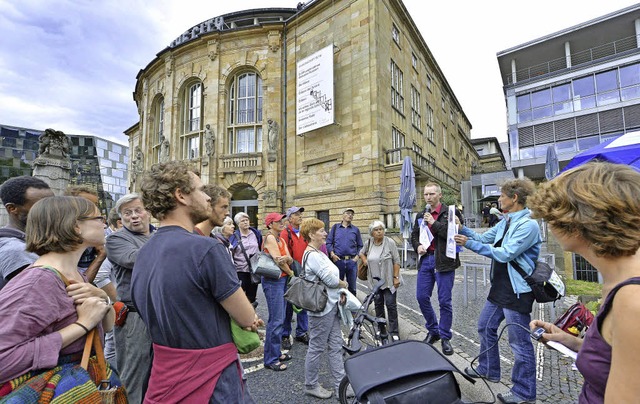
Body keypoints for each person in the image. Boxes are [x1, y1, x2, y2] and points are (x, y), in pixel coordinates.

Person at [131, 161, 260, 402]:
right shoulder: (206, 248)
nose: (207, 198)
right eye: (200, 190)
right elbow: (245, 317)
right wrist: (247, 320)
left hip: (163, 374)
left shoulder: (145, 252)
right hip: (211, 378)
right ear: (181, 195)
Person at [528, 162, 640, 404]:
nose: (548, 224)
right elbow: (616, 357)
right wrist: (574, 343)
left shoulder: (632, 301)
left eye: (553, 216)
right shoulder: (618, 280)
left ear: (577, 223)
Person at [0, 196, 118, 400]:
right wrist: (82, 325)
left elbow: (106, 328)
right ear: (75, 226)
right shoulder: (37, 282)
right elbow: (4, 359)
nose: (104, 223)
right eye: (99, 217)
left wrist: (103, 301)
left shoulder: (73, 274)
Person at [454, 177, 540, 404]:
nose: (499, 199)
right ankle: (489, 369)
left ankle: (524, 393)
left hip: (517, 291)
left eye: (502, 195)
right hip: (501, 287)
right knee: (485, 326)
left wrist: (468, 244)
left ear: (514, 198)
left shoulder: (528, 224)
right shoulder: (507, 220)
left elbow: (505, 253)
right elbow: (484, 237)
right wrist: (461, 228)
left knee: (519, 343)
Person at [106, 193, 155, 403]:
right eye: (127, 213)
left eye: (138, 210)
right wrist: (172, 244)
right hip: (134, 317)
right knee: (133, 378)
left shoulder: (159, 236)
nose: (134, 216)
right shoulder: (116, 239)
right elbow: (134, 259)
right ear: (121, 218)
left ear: (149, 212)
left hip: (160, 313)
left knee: (159, 374)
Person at [300, 218, 350, 399]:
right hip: (321, 309)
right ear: (312, 234)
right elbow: (330, 280)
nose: (325, 233)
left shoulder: (318, 252)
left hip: (330, 305)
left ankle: (341, 385)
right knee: (316, 347)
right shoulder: (313, 255)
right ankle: (311, 384)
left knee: (336, 346)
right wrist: (344, 283)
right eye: (321, 230)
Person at [410, 182, 462, 356]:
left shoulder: (450, 213)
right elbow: (414, 235)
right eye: (426, 194)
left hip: (444, 262)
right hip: (426, 260)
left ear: (440, 195)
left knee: (444, 301)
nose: (428, 197)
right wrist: (417, 246)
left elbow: (452, 235)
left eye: (432, 194)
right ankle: (434, 330)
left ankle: (445, 336)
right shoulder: (421, 214)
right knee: (422, 297)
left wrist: (433, 222)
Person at [0, 176, 53, 290]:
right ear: (12, 208)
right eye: (41, 206)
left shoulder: (30, 241)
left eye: (52, 205)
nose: (51, 212)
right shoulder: (15, 250)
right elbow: (50, 294)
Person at [262, 212, 296, 371]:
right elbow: (279, 260)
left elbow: (287, 258)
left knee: (280, 318)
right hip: (273, 281)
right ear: (270, 224)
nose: (282, 222)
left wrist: (285, 260)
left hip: (281, 280)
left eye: (282, 220)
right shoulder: (269, 237)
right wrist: (290, 272)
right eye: (278, 221)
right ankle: (270, 359)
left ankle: (275, 352)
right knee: (276, 320)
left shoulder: (280, 239)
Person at [359, 220, 402, 340]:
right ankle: (381, 329)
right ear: (372, 233)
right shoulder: (369, 243)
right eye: (376, 230)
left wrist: (396, 278)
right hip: (375, 282)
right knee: (378, 305)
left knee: (391, 305)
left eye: (381, 229)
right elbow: (361, 253)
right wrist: (364, 260)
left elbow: (397, 261)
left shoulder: (390, 242)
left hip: (389, 281)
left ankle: (394, 332)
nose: (379, 232)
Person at [96, 207, 122, 371]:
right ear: (120, 222)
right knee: (112, 345)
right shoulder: (113, 243)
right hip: (117, 307)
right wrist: (118, 301)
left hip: (118, 306)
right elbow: (100, 276)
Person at [280, 206, 309, 349]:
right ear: (290, 218)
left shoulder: (304, 232)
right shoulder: (285, 233)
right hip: (291, 274)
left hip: (304, 272)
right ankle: (285, 334)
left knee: (303, 303)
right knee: (289, 304)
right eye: (297, 214)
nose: (300, 217)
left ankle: (302, 332)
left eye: (300, 214)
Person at [64, 185, 107, 283]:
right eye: (87, 204)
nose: (93, 209)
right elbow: (78, 285)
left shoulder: (91, 242)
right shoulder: (63, 243)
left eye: (95, 204)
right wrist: (101, 256)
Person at [326, 208, 363, 296]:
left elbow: (360, 245)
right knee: (337, 286)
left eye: (352, 214)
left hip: (351, 262)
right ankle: (338, 307)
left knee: (352, 288)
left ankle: (352, 308)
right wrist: (332, 254)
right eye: (348, 213)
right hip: (338, 261)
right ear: (343, 215)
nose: (350, 215)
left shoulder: (355, 230)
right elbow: (328, 243)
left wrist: (357, 257)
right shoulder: (335, 228)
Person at [229, 212, 262, 306]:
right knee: (240, 297)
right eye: (242, 221)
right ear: (238, 224)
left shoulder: (255, 233)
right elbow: (231, 252)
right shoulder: (234, 236)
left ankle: (252, 317)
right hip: (240, 270)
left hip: (254, 270)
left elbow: (260, 246)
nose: (245, 222)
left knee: (252, 297)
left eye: (247, 220)